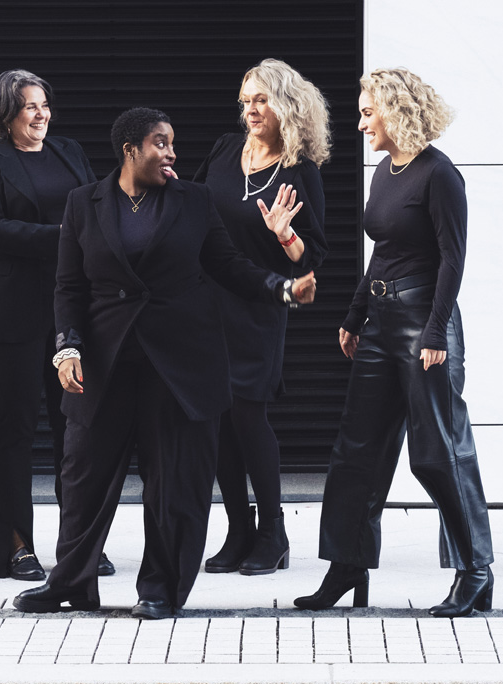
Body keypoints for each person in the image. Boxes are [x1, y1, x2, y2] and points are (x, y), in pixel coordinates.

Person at [12, 108, 316, 619]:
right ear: (130, 149)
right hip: (104, 365)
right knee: (83, 480)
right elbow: (69, 287)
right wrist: (67, 347)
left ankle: (160, 588)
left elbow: (229, 266)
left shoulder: (193, 201)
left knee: (174, 483)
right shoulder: (83, 203)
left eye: (172, 143)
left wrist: (282, 288)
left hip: (179, 366)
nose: (172, 153)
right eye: (160, 143)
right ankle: (69, 583)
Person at [295, 68, 493, 618]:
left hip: (424, 322)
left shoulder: (439, 174)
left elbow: (453, 259)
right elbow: (382, 250)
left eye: (367, 113)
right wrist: (356, 314)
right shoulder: (386, 171)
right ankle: (347, 565)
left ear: (395, 111)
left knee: (438, 452)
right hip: (381, 321)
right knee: (357, 449)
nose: (360, 124)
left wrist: (435, 331)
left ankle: (475, 570)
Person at [0, 69, 115, 582]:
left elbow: (99, 207)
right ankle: (16, 547)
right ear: (6, 112)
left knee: (76, 429)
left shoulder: (68, 151)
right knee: (17, 429)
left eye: (44, 104)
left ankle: (80, 543)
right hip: (9, 311)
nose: (41, 114)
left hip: (70, 310)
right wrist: (67, 235)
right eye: (30, 106)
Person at [192, 58, 329, 577]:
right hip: (207, 302)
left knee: (248, 417)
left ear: (285, 105)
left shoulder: (299, 170)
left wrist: (285, 234)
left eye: (261, 100)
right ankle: (238, 529)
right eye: (246, 100)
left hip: (259, 305)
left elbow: (314, 254)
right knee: (218, 420)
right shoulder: (226, 150)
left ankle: (273, 530)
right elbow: (192, 208)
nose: (251, 109)